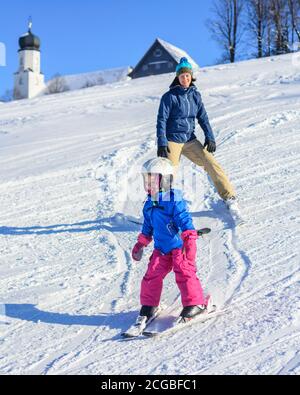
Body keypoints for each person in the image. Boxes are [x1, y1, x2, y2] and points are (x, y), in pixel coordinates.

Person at [131, 157, 209, 331]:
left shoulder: (174, 200)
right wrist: (141, 244)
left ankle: (196, 304)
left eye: (152, 180)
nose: (148, 184)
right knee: (152, 274)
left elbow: (184, 219)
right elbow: (148, 226)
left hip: (179, 247)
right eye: (146, 180)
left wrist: (189, 239)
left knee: (184, 272)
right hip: (161, 249)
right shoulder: (149, 203)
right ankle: (149, 305)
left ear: (165, 180)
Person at [156, 57, 240, 217]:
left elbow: (203, 117)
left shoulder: (195, 95)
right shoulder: (169, 97)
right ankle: (160, 207)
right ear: (177, 77)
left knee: (211, 163)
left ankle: (229, 197)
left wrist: (210, 137)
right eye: (182, 76)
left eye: (187, 76)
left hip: (190, 139)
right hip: (172, 139)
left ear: (191, 77)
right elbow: (161, 120)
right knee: (167, 172)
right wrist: (162, 142)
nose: (185, 79)